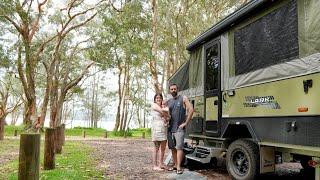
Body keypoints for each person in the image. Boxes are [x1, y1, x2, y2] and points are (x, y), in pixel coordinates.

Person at [167, 84, 194, 174]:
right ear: (169, 91)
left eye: (175, 89)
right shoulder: (169, 101)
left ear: (177, 89)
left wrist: (185, 123)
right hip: (170, 128)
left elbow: (191, 109)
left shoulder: (183, 98)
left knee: (179, 148)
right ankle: (175, 165)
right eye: (171, 89)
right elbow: (168, 115)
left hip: (179, 128)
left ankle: (179, 167)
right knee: (172, 148)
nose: (173, 90)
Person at [151, 93, 168, 171]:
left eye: (160, 98)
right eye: (157, 98)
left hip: (163, 128)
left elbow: (168, 117)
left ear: (162, 99)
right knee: (156, 148)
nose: (158, 99)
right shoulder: (154, 105)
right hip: (156, 127)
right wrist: (166, 114)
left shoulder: (164, 106)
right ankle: (155, 165)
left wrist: (167, 117)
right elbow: (163, 112)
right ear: (155, 99)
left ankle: (161, 164)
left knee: (163, 148)